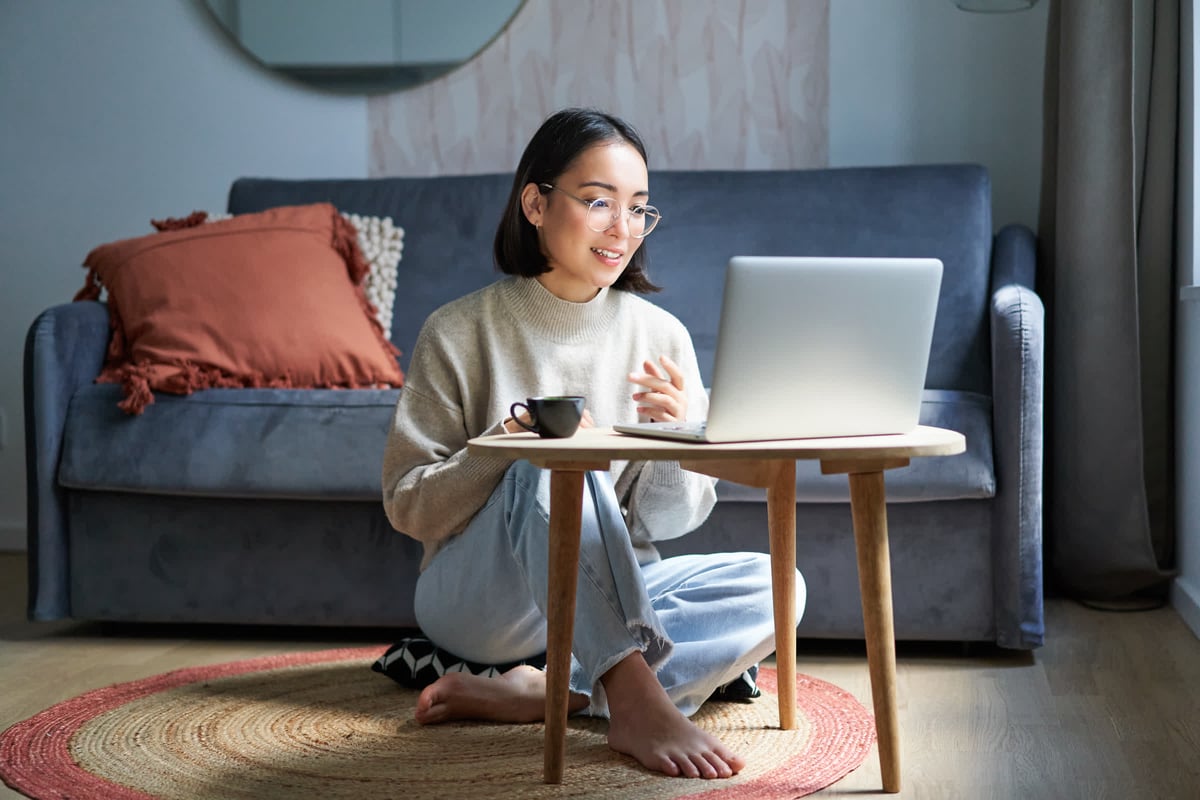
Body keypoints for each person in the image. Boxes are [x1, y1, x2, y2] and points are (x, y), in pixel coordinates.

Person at [381, 107, 805, 780]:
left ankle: (550, 692)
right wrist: (504, 449)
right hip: (485, 603)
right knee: (550, 468)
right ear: (536, 204)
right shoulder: (459, 331)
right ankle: (633, 700)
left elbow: (667, 522)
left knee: (776, 586)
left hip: (614, 594)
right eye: (599, 202)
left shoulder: (661, 335)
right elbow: (408, 506)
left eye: (639, 209)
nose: (623, 229)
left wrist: (679, 435)